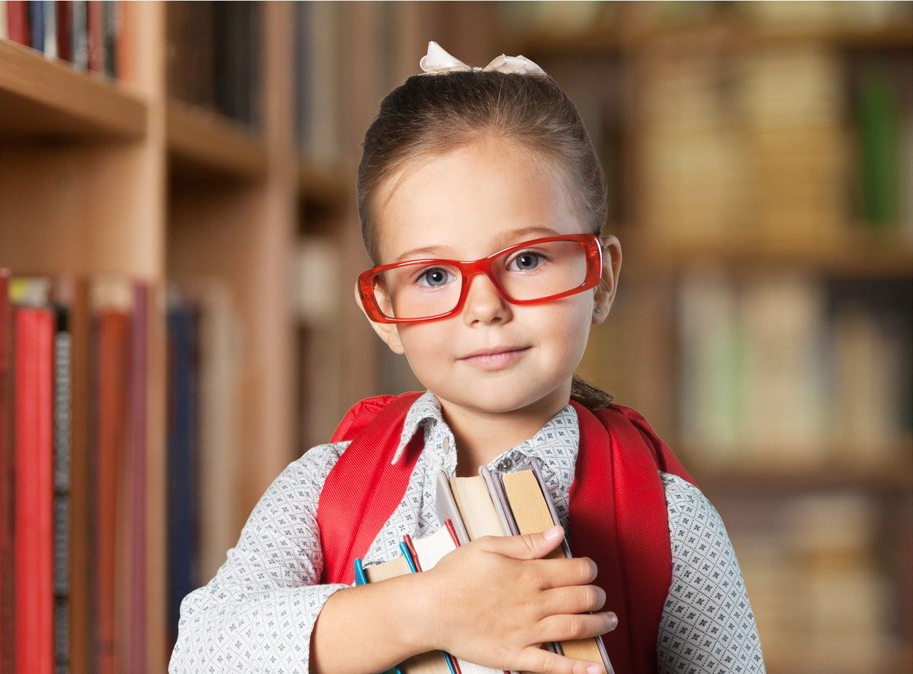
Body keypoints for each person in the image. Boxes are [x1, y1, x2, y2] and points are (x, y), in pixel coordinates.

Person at [170, 43, 764, 674]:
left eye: (528, 260)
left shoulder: (668, 521)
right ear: (383, 311)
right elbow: (201, 653)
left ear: (603, 276)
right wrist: (428, 611)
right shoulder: (325, 489)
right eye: (432, 275)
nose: (483, 306)